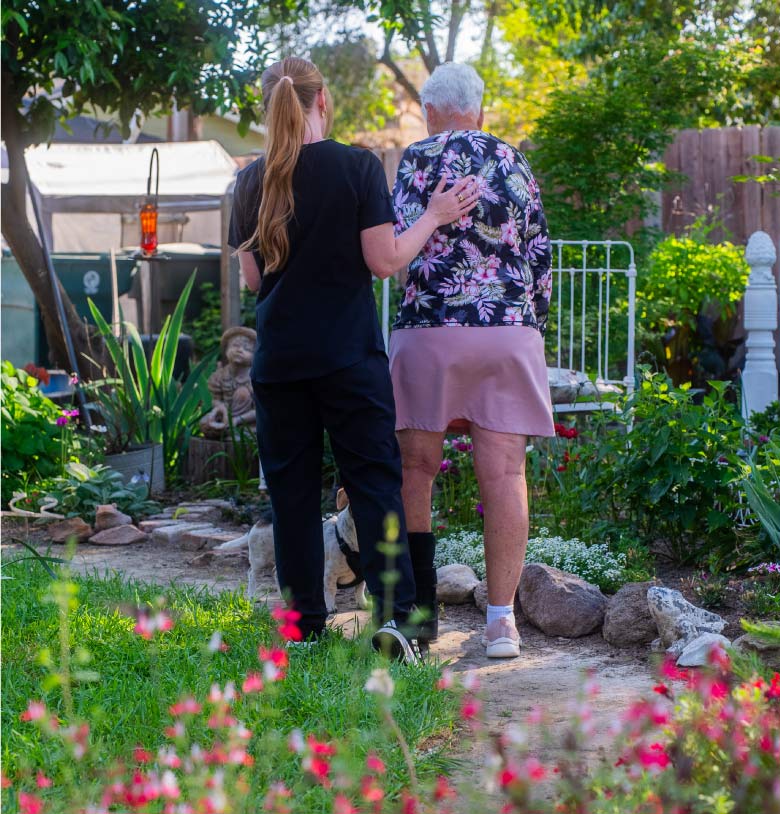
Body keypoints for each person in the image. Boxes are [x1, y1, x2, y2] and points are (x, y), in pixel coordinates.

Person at [228, 56, 479, 661]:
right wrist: (436, 216)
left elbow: (253, 280)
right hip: (347, 359)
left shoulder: (248, 182)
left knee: (290, 495)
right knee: (374, 487)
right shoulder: (357, 166)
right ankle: (396, 625)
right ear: (322, 102)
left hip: (281, 363)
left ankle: (302, 627)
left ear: (271, 107)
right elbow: (387, 260)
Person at [389, 62, 554, 659]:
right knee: (505, 473)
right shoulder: (513, 160)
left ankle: (417, 615)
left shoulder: (415, 159)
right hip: (505, 332)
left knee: (417, 468)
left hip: (429, 331)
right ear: (479, 110)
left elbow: (396, 248)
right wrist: (526, 320)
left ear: (431, 110)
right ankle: (501, 624)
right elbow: (540, 254)